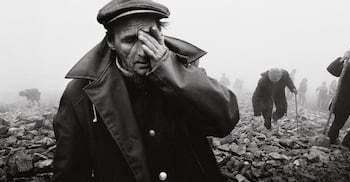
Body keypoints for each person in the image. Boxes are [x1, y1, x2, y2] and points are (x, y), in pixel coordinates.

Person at [52, 0, 240, 181]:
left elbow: (225, 119)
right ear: (111, 42)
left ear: (161, 34)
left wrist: (170, 70)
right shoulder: (80, 94)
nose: (142, 51)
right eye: (129, 40)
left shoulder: (184, 71)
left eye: (150, 37)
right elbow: (70, 173)